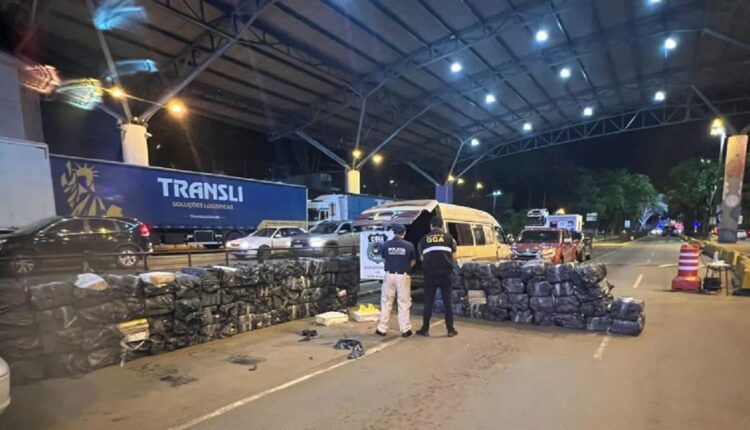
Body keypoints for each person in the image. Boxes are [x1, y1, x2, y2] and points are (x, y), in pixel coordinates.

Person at [416, 217, 458, 337]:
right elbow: (454, 256)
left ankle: (425, 329)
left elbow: (422, 258)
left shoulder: (423, 240)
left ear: (431, 225)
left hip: (430, 274)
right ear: (442, 225)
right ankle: (450, 329)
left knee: (428, 302)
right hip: (446, 274)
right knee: (447, 302)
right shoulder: (450, 238)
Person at [374, 224, 416, 338]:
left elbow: (383, 259)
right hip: (403, 275)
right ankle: (405, 329)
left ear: (394, 232)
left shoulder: (386, 244)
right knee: (403, 302)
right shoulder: (409, 245)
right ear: (404, 233)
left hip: (389, 274)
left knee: (386, 301)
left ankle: (381, 329)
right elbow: (413, 261)